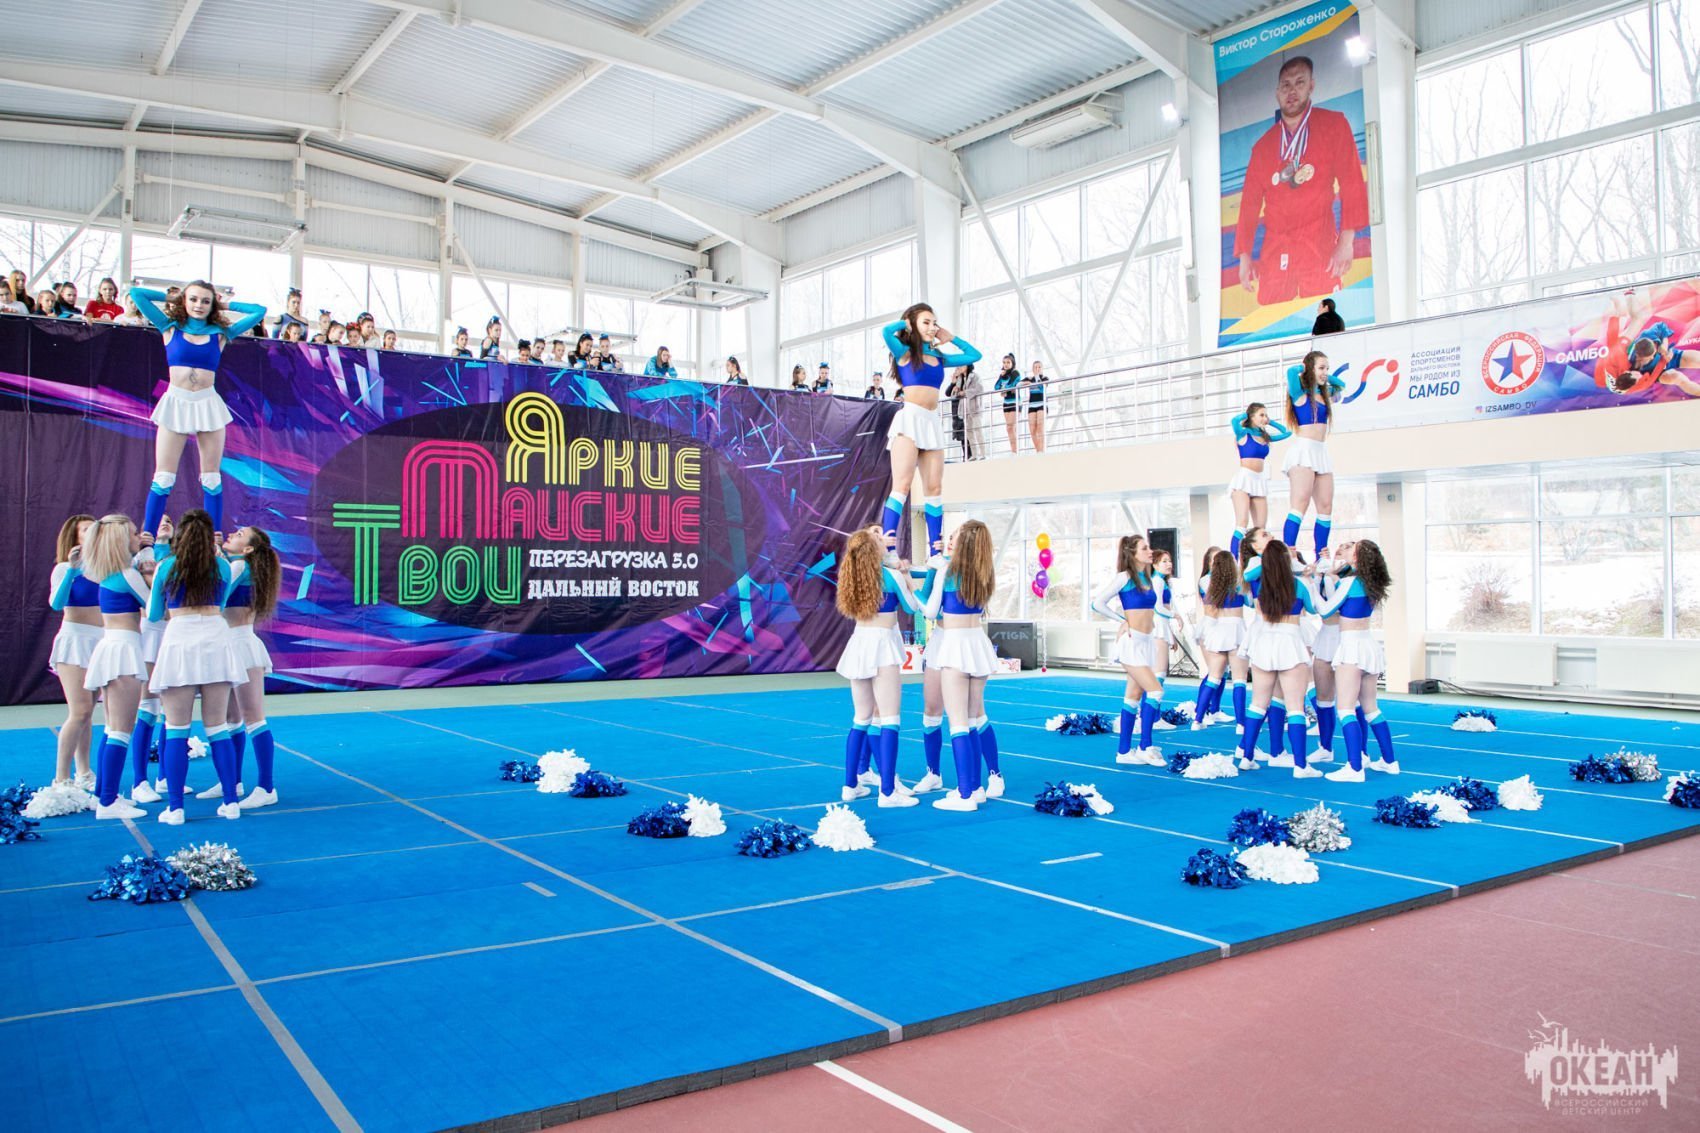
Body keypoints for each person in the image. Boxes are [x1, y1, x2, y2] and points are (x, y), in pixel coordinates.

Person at [1234, 55, 1370, 308]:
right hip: (1276, 248)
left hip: (1318, 242)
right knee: (1271, 320)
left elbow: (1351, 181)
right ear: (1277, 93)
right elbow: (1249, 205)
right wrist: (1244, 257)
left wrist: (1346, 242)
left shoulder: (1333, 125)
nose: (1292, 91)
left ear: (1311, 86)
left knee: (1326, 316)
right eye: (1286, 85)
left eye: (1299, 82)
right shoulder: (1263, 147)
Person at [133, 281, 266, 537]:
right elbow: (137, 294)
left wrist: (224, 304)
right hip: (176, 402)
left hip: (207, 403)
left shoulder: (220, 333)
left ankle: (214, 541)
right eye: (193, 299)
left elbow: (259, 311)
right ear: (185, 301)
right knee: (163, 478)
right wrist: (174, 297)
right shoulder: (170, 327)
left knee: (212, 478)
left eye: (206, 301)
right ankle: (147, 539)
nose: (199, 305)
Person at [147, 509, 245, 824]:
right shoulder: (223, 566)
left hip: (180, 640)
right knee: (217, 726)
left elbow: (153, 614)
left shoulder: (166, 566)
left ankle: (176, 808)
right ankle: (231, 801)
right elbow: (223, 603)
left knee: (176, 727)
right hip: (216, 639)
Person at [880, 303, 982, 556]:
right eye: (926, 322)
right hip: (909, 419)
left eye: (934, 322)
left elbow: (974, 355)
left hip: (931, 422)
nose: (932, 327)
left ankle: (935, 554)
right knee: (902, 486)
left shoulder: (939, 357)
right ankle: (889, 550)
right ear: (913, 324)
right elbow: (886, 332)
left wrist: (950, 338)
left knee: (934, 489)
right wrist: (905, 324)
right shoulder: (904, 352)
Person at [834, 526, 921, 808]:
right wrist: (905, 576)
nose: (886, 542)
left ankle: (850, 785)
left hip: (859, 643)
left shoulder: (851, 577)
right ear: (875, 550)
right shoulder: (890, 576)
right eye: (880, 540)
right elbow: (912, 607)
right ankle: (887, 792)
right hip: (882, 645)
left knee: (861, 718)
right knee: (890, 719)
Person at [79, 516, 158, 819]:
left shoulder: (111, 572)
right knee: (122, 730)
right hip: (124, 650)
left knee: (112, 728)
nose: (140, 536)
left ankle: (103, 794)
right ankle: (108, 802)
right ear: (121, 541)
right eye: (135, 534)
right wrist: (155, 574)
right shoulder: (127, 575)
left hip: (113, 646)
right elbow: (153, 609)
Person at [919, 519, 1001, 811]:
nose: (950, 541)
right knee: (972, 718)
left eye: (956, 537)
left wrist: (912, 587)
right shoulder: (984, 572)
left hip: (955, 646)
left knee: (958, 723)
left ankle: (965, 794)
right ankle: (976, 788)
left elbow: (930, 611)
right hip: (977, 644)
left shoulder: (947, 571)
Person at [1236, 540, 1321, 777]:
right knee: (1295, 706)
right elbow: (1314, 609)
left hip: (1263, 642)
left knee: (1258, 703)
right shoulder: (1298, 584)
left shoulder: (1259, 585)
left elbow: (1245, 585)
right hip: (1290, 642)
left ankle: (1247, 756)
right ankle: (1301, 765)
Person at [1318, 540, 1398, 781]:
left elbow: (1326, 610)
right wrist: (1332, 575)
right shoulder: (1371, 582)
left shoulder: (1351, 582)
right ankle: (1389, 761)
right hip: (1368, 645)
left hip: (1351, 647)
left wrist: (1311, 587)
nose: (1347, 549)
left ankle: (1354, 768)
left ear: (1358, 558)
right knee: (1371, 708)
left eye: (1353, 548)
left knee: (1345, 709)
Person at [1090, 535, 1167, 766]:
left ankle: (1123, 752)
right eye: (1145, 548)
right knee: (1155, 691)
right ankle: (1145, 747)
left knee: (1133, 697)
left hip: (1146, 641)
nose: (1150, 551)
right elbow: (1097, 603)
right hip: (1131, 643)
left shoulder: (1149, 577)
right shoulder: (1124, 577)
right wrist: (1121, 620)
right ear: (1132, 553)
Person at [222, 526, 283, 808]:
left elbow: (216, 599)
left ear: (248, 549)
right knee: (231, 718)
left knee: (253, 718)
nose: (232, 534)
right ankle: (232, 781)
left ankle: (266, 787)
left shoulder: (238, 567)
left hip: (241, 646)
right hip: (230, 643)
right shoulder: (240, 566)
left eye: (239, 534)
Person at [47, 514, 99, 793]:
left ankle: (84, 771)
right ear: (75, 537)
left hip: (101, 642)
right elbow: (56, 604)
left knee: (88, 713)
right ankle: (61, 778)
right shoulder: (63, 568)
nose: (93, 532)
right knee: (79, 711)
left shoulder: (105, 567)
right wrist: (72, 571)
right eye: (86, 530)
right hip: (75, 641)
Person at [1282, 349, 1344, 558]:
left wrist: (1324, 377)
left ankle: (1321, 555)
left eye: (1327, 368)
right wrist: (1306, 369)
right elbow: (1291, 372)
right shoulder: (1300, 393)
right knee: (1300, 503)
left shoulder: (1325, 395)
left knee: (1326, 505)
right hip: (1304, 450)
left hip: (1320, 451)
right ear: (1310, 369)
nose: (1325, 372)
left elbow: (1341, 386)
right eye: (1321, 368)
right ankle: (1289, 553)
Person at [1230, 401, 1293, 555]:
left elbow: (1287, 432)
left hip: (1259, 480)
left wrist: (1270, 422)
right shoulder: (1243, 433)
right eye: (1261, 415)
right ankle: (1235, 560)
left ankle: (1261, 559)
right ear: (1252, 416)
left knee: (1261, 528)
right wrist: (1248, 414)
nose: (1265, 418)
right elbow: (1234, 421)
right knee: (1242, 523)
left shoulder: (1264, 436)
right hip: (1244, 479)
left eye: (1266, 415)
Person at [992, 354, 1021, 454]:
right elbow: (996, 387)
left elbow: (1011, 385)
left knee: (1010, 427)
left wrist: (1004, 391)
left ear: (1012, 363)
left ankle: (1015, 451)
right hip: (1006, 403)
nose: (1006, 364)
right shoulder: (1003, 375)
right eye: (1004, 362)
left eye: (1008, 362)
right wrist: (1002, 377)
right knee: (1010, 428)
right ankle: (1014, 450)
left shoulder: (1015, 373)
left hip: (1015, 402)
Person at [1025, 360, 1048, 453]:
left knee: (1040, 427)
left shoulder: (1045, 378)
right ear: (1032, 369)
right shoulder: (1029, 379)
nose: (1037, 369)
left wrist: (1036, 377)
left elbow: (1042, 387)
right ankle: (1038, 449)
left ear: (1042, 368)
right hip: (1032, 405)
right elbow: (1018, 384)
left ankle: (1041, 450)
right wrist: (1027, 382)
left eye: (1039, 367)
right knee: (1032, 429)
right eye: (1035, 367)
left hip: (1041, 404)